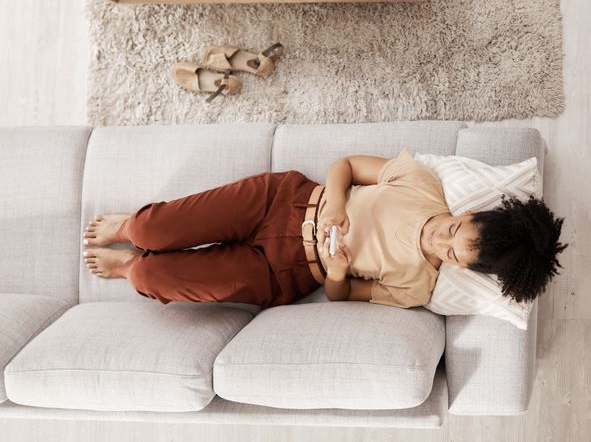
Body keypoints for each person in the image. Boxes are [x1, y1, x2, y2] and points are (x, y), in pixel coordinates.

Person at [82, 149, 567, 308]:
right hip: (282, 202)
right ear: (467, 213)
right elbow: (347, 165)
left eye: (454, 253)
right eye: (453, 228)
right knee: (149, 230)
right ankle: (129, 227)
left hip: (281, 272)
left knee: (149, 278)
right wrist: (336, 202)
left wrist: (334, 272)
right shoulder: (421, 182)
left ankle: (129, 270)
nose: (438, 241)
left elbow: (341, 295)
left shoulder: (417, 286)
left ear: (463, 267)